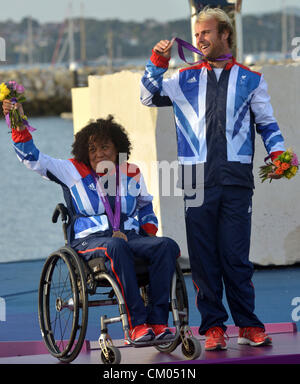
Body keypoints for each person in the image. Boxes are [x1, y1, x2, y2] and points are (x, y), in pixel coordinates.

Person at [140, 6, 286, 351]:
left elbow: (267, 123)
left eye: (206, 33)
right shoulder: (184, 78)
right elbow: (147, 95)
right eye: (196, 35)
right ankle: (213, 327)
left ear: (225, 35)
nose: (199, 39)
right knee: (204, 259)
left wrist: (278, 154)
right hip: (196, 180)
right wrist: (157, 63)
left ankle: (248, 325)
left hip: (236, 180)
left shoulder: (251, 78)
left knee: (236, 257)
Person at [2, 100, 180, 344]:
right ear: (84, 152)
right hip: (90, 242)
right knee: (116, 247)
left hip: (130, 239)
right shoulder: (72, 171)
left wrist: (148, 233)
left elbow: (145, 206)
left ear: (117, 147)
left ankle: (158, 322)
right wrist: (18, 125)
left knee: (166, 245)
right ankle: (137, 325)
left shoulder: (131, 171)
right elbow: (32, 158)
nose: (99, 154)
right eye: (93, 149)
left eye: (105, 147)